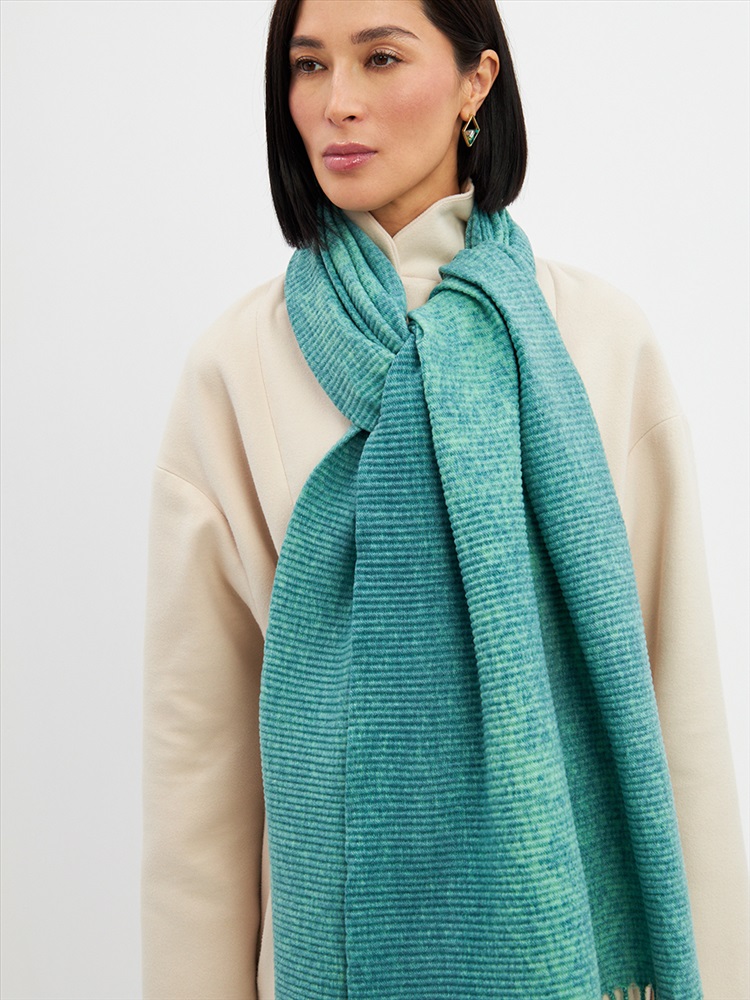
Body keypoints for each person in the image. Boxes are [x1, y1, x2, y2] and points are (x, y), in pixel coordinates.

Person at [141, 1, 749, 998]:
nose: (336, 103)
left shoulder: (599, 343)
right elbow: (197, 782)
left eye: (381, 58)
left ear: (477, 81)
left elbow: (677, 718)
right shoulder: (235, 369)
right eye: (307, 65)